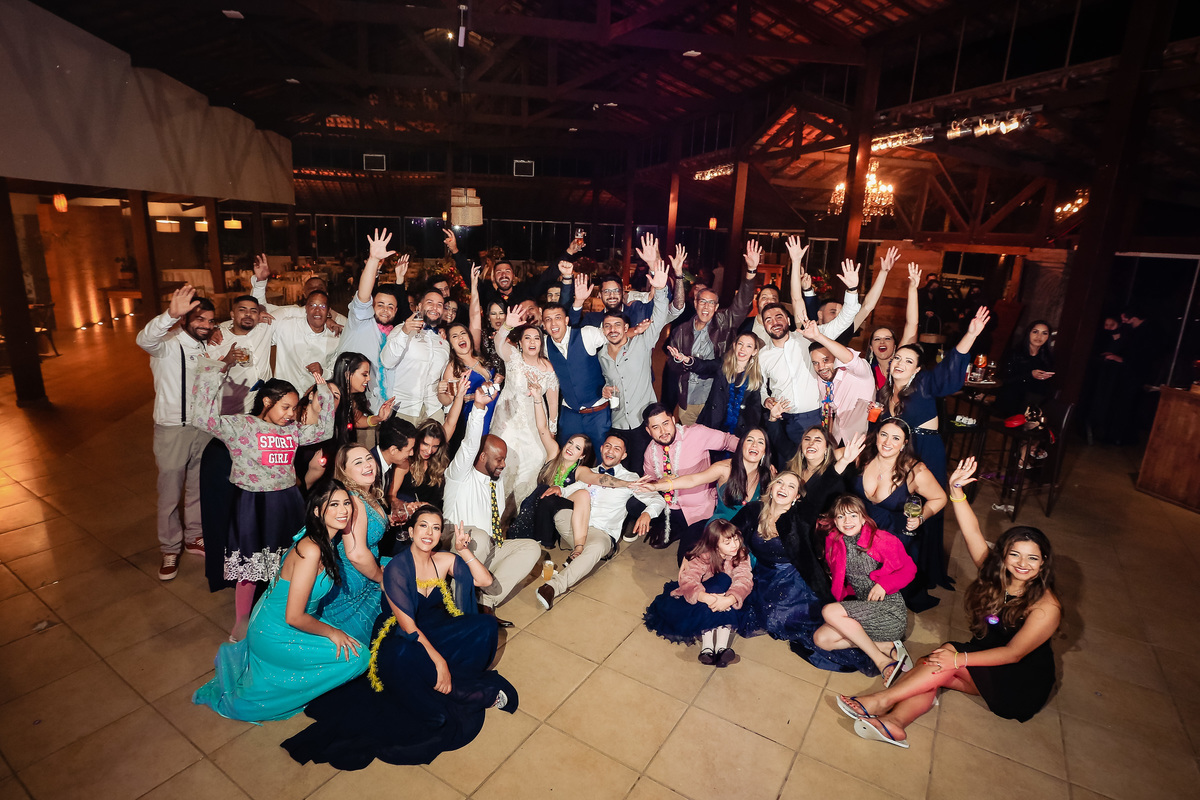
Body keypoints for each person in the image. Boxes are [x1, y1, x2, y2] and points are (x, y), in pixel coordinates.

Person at [839, 457, 1060, 748]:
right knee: (932, 663)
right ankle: (894, 725)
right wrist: (956, 490)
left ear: (1043, 564)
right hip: (987, 655)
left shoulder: (1046, 607)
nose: (1022, 564)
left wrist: (958, 659)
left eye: (1032, 558)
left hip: (1017, 681)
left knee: (943, 661)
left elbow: (1013, 654)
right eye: (1015, 554)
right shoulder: (996, 574)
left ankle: (882, 702)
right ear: (1004, 555)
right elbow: (972, 533)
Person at [282, 505, 518, 770]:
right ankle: (465, 691)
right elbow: (409, 629)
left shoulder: (444, 560)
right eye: (423, 526)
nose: (429, 533)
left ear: (441, 535)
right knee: (404, 656)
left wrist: (463, 551)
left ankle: (447, 677)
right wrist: (439, 661)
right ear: (411, 531)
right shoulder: (397, 568)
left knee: (486, 625)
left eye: (436, 528)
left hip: (436, 628)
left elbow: (485, 582)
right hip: (402, 635)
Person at [192, 481, 368, 721]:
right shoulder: (311, 549)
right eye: (334, 505)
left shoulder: (323, 540)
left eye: (346, 503)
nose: (343, 510)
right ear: (318, 511)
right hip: (275, 631)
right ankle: (274, 693)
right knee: (359, 657)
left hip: (280, 619)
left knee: (351, 635)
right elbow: (293, 616)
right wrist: (332, 633)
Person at [192, 355, 334, 640]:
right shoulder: (241, 427)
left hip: (287, 503)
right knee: (249, 565)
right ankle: (242, 622)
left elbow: (324, 429)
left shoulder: (292, 432)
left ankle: (284, 614)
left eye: (294, 408)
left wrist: (326, 396)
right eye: (285, 407)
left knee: (289, 562)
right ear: (267, 402)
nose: (291, 414)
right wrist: (213, 372)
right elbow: (201, 418)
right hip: (252, 505)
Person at [879, 306, 989, 597]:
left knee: (926, 507)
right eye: (897, 358)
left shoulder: (925, 383)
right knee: (903, 508)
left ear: (917, 369)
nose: (900, 363)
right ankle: (899, 562)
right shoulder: (887, 392)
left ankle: (922, 569)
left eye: (909, 361)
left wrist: (970, 335)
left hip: (926, 450)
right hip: (902, 454)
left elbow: (950, 368)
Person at [733, 462, 876, 673]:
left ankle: (869, 644)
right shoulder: (754, 510)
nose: (784, 488)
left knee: (778, 621)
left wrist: (842, 464)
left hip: (796, 581)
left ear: (797, 497)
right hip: (763, 577)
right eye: (780, 482)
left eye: (791, 486)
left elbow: (821, 490)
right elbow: (728, 533)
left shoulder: (799, 516)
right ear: (771, 488)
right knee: (749, 615)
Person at [138, 285, 218, 581]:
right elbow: (144, 338)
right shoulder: (166, 344)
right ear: (185, 318)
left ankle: (194, 535)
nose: (206, 325)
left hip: (201, 427)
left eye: (210, 321)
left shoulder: (205, 346)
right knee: (170, 491)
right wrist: (169, 314)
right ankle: (169, 547)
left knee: (197, 486)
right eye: (199, 319)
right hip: (172, 428)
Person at [537, 434, 666, 610]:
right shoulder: (590, 473)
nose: (610, 451)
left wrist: (647, 514)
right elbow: (570, 491)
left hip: (602, 533)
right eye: (607, 446)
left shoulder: (630, 478)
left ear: (624, 456)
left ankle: (552, 587)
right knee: (557, 511)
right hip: (577, 525)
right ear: (601, 448)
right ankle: (574, 549)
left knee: (596, 547)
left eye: (616, 449)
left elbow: (658, 501)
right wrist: (558, 489)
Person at [444, 389, 542, 618]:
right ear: (481, 457)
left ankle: (485, 601)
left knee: (531, 548)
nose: (504, 464)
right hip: (460, 543)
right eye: (499, 459)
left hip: (488, 545)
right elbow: (469, 444)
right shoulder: (459, 476)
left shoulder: (495, 482)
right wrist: (478, 407)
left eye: (505, 458)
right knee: (477, 535)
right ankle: (458, 606)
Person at [758, 253, 861, 464]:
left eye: (779, 316)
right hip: (782, 420)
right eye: (768, 319)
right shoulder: (762, 355)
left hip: (813, 418)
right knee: (786, 470)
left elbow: (844, 319)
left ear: (788, 319)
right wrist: (765, 400)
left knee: (816, 468)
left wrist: (851, 290)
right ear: (763, 325)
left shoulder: (808, 337)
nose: (774, 322)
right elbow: (760, 386)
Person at [812, 495, 916, 685]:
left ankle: (881, 661)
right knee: (821, 639)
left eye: (853, 515)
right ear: (835, 521)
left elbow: (910, 569)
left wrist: (884, 585)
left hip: (889, 611)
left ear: (863, 518)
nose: (847, 521)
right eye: (841, 517)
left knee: (829, 611)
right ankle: (886, 646)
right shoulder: (834, 541)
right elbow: (843, 576)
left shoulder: (881, 539)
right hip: (864, 607)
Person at [598, 247, 685, 467]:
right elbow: (607, 382)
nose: (613, 329)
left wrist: (661, 287)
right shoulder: (601, 355)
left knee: (647, 470)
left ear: (626, 326)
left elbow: (659, 314)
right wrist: (604, 389)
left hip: (643, 424)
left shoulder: (642, 342)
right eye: (607, 326)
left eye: (618, 325)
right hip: (616, 423)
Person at [851, 419, 947, 612]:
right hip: (860, 527)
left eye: (896, 438)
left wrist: (921, 518)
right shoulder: (862, 457)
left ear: (904, 443)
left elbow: (940, 498)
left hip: (894, 535)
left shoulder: (915, 471)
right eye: (884, 435)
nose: (888, 442)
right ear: (876, 436)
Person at [664, 241, 761, 424]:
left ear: (717, 307)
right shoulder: (681, 331)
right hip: (689, 400)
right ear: (695, 303)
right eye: (702, 302)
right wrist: (680, 361)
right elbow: (673, 366)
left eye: (711, 303)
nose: (706, 307)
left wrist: (751, 272)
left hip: (717, 398)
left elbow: (742, 304)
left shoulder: (725, 322)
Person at [643, 519, 753, 667]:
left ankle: (721, 648)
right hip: (701, 595)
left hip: (727, 595)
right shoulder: (703, 554)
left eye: (736, 539)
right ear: (715, 545)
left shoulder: (741, 554)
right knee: (719, 583)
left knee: (725, 584)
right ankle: (708, 647)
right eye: (727, 543)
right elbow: (688, 580)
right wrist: (706, 597)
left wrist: (729, 599)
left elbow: (744, 579)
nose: (734, 545)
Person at [641, 404, 739, 563]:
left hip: (699, 510)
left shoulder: (696, 434)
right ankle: (673, 528)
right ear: (648, 431)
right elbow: (649, 480)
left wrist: (753, 456)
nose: (663, 431)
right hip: (670, 508)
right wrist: (648, 508)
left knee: (688, 558)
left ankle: (688, 532)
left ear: (673, 420)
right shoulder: (650, 451)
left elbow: (728, 441)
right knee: (635, 503)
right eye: (656, 427)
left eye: (666, 423)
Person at [317, 445, 390, 646]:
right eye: (358, 462)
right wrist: (382, 578)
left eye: (369, 458)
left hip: (367, 567)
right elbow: (356, 554)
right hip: (354, 582)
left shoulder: (364, 494)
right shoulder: (353, 500)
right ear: (344, 471)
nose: (368, 465)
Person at [334, 230, 408, 413]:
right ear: (371, 306)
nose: (385, 309)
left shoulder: (393, 334)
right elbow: (363, 295)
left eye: (390, 307)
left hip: (380, 408)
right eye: (380, 304)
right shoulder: (360, 322)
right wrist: (373, 260)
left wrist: (400, 280)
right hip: (350, 405)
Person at [490, 311, 559, 507]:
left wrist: (551, 431)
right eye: (527, 337)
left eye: (536, 338)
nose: (532, 342)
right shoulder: (512, 357)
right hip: (508, 421)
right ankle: (497, 512)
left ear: (541, 343)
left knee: (533, 463)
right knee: (504, 464)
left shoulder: (547, 367)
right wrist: (507, 326)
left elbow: (553, 403)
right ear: (520, 342)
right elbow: (498, 343)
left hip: (535, 424)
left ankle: (522, 513)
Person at [639, 427, 771, 523]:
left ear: (765, 450)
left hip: (751, 533)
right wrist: (657, 486)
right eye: (750, 440)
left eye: (760, 442)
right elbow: (693, 479)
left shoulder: (768, 474)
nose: (755, 445)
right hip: (721, 531)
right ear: (741, 445)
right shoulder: (724, 468)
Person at [446, 227, 578, 311]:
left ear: (513, 275)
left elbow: (546, 277)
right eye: (499, 272)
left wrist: (569, 252)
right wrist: (455, 250)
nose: (503, 275)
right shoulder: (487, 293)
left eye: (507, 271)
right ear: (493, 277)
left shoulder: (526, 291)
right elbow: (470, 276)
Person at [544, 290, 611, 450]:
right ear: (543, 325)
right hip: (570, 413)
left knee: (605, 459)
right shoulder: (544, 345)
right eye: (548, 320)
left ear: (567, 320)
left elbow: (615, 337)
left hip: (598, 412)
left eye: (558, 318)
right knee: (564, 461)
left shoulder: (586, 333)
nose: (553, 324)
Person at [798, 244, 900, 346]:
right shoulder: (806, 329)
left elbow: (867, 306)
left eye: (840, 312)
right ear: (820, 314)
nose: (838, 315)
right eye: (833, 312)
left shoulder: (845, 331)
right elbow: (796, 299)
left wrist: (883, 272)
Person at [381, 290, 451, 424]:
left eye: (439, 304)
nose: (435, 308)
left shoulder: (444, 343)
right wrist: (404, 332)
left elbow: (445, 379)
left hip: (433, 411)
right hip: (403, 409)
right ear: (419, 307)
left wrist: (447, 410)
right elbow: (387, 361)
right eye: (430, 303)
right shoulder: (401, 330)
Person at [807, 323, 876, 445]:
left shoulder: (860, 372)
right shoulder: (822, 381)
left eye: (825, 360)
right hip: (836, 440)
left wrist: (818, 336)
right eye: (815, 363)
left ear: (836, 357)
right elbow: (830, 412)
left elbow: (850, 358)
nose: (821, 367)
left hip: (862, 443)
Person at [206, 294, 272, 414]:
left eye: (253, 311)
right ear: (232, 314)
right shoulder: (217, 341)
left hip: (263, 409)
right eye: (242, 310)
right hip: (233, 412)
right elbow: (207, 380)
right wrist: (227, 361)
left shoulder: (264, 329)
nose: (248, 314)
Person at [696, 332, 766, 442]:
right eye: (740, 344)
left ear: (754, 351)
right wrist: (688, 361)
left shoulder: (756, 378)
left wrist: (750, 436)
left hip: (737, 433)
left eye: (749, 346)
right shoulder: (723, 365)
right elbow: (705, 366)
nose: (743, 349)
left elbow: (754, 411)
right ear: (734, 345)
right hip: (713, 426)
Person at [437, 321, 498, 436]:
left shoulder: (480, 358)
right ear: (451, 344)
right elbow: (447, 400)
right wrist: (441, 392)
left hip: (495, 409)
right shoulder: (453, 367)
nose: (460, 337)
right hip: (473, 413)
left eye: (463, 333)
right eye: (455, 336)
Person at [866, 263, 923, 389]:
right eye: (877, 339)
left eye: (887, 338)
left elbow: (912, 324)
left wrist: (912, 289)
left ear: (895, 346)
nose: (882, 341)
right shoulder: (867, 370)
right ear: (871, 347)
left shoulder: (901, 363)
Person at [330, 352, 395, 445]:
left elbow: (357, 420)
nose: (369, 379)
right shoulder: (327, 392)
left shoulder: (353, 397)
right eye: (364, 374)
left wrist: (378, 418)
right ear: (348, 375)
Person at [995, 319, 1055, 418]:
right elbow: (1003, 379)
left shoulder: (1047, 358)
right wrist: (1030, 375)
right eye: (1035, 332)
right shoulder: (1015, 353)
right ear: (1028, 333)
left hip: (1032, 404)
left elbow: (1044, 389)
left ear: (1048, 337)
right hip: (1010, 399)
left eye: (1044, 333)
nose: (1039, 337)